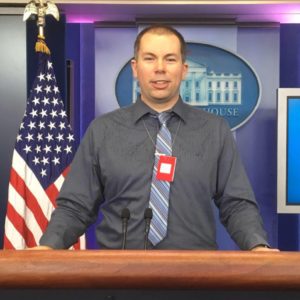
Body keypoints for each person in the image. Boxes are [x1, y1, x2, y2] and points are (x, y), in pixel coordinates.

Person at [36, 25, 277, 251]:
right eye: (149, 58)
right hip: (117, 276)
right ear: (135, 67)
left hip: (195, 276)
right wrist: (48, 247)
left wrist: (257, 247)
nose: (159, 68)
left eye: (170, 59)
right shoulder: (103, 130)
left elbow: (236, 204)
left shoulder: (214, 130)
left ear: (183, 70)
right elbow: (76, 207)